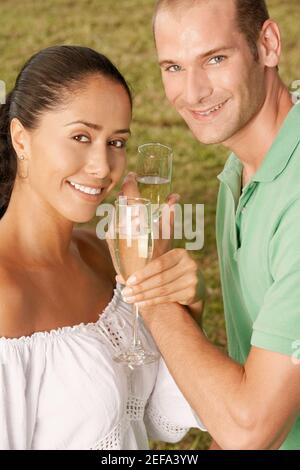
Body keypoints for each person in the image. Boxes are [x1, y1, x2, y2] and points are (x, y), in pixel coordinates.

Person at [0, 45, 206, 450]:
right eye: (81, 136)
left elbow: (158, 419)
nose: (102, 166)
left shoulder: (103, 254)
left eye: (116, 142)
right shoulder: (5, 296)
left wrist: (177, 304)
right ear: (21, 138)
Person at [121, 0, 300, 450]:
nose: (193, 92)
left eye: (215, 59)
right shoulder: (238, 174)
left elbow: (250, 430)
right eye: (173, 67)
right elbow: (247, 396)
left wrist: (149, 290)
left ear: (268, 45)